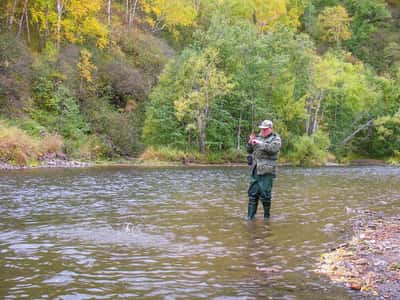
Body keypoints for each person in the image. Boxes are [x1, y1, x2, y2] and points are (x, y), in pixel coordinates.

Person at [246, 119, 281, 220]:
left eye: (265, 129)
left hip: (267, 171)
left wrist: (259, 143)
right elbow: (249, 150)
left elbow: (273, 149)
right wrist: (250, 142)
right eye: (262, 129)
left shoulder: (276, 138)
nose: (263, 131)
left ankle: (266, 218)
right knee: (252, 194)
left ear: (270, 129)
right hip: (256, 169)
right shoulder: (258, 137)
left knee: (265, 195)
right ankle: (250, 217)